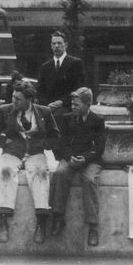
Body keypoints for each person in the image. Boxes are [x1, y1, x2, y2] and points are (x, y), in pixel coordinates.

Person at [0, 81, 59, 245]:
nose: (14, 101)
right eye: (13, 97)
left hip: (35, 153)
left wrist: (42, 145)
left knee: (41, 173)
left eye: (18, 99)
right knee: (5, 171)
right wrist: (5, 142)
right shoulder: (4, 110)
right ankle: (2, 220)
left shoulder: (44, 112)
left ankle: (41, 222)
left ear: (29, 100)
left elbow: (55, 136)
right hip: (12, 152)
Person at [49, 87, 105, 247]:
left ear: (88, 104)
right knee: (60, 173)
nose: (73, 107)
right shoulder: (66, 119)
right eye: (72, 104)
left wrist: (85, 158)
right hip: (71, 157)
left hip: (90, 159)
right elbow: (60, 143)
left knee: (88, 179)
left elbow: (100, 147)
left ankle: (93, 226)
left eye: (76, 104)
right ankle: (58, 217)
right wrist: (69, 157)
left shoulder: (98, 120)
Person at [37, 30, 85, 119]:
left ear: (66, 45)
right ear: (51, 46)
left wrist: (62, 102)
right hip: (48, 107)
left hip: (68, 107)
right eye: (54, 43)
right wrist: (46, 105)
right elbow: (40, 90)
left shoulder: (75, 63)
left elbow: (79, 89)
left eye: (59, 43)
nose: (56, 46)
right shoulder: (45, 66)